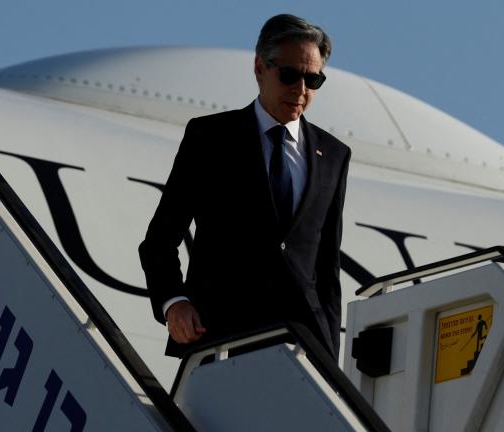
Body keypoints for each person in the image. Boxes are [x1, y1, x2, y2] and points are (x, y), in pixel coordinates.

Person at [138, 14, 351, 359]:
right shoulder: (210, 138)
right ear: (259, 68)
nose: (301, 90)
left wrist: (329, 354)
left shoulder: (333, 156)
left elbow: (327, 270)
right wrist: (174, 303)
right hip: (219, 335)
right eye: (289, 75)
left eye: (313, 80)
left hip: (302, 345)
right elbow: (160, 240)